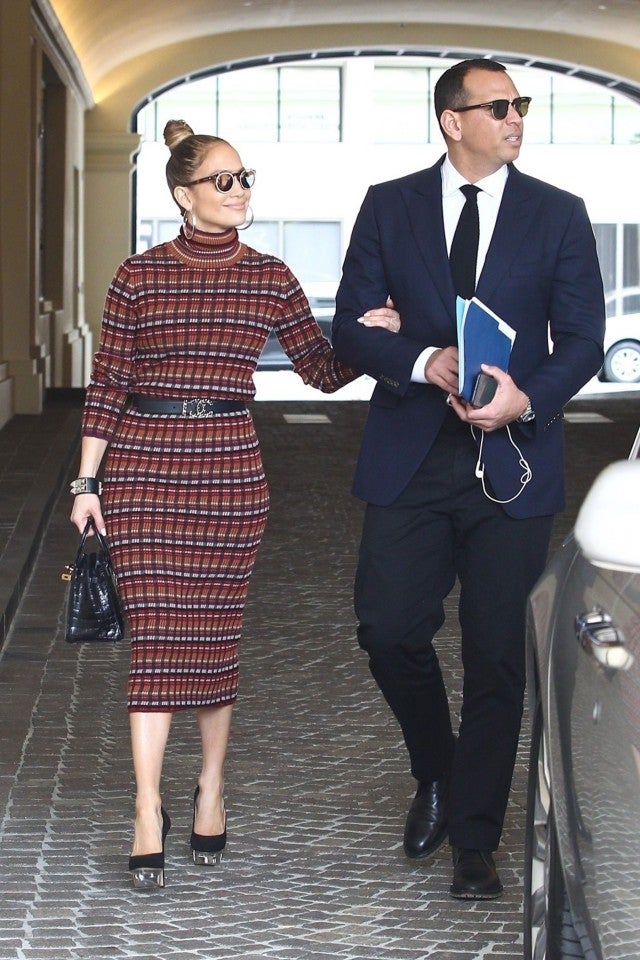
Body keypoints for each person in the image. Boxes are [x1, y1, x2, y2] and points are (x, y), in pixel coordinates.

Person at [70, 119, 400, 890]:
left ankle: (211, 788)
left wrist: (371, 335)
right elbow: (108, 382)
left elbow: (320, 370)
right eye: (224, 180)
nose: (241, 189)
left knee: (215, 643)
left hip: (228, 475)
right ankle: (147, 807)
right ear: (185, 195)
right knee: (156, 643)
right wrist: (87, 483)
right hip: (144, 473)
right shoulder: (137, 277)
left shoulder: (272, 277)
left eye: (246, 177)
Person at [331, 58, 605, 899]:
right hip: (412, 453)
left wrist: (527, 397)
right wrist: (421, 358)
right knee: (387, 629)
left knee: (496, 660)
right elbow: (349, 327)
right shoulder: (390, 204)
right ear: (453, 121)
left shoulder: (558, 213)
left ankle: (476, 842)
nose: (516, 117)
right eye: (499, 106)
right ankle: (439, 770)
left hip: (513, 462)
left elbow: (583, 340)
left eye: (521, 105)